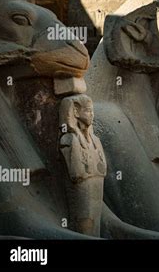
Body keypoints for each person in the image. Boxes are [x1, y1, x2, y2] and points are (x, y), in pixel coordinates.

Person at [59, 94, 107, 236]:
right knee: (85, 228)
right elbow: (77, 173)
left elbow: (103, 169)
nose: (92, 115)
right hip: (82, 195)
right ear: (75, 112)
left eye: (92, 111)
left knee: (96, 228)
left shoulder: (96, 141)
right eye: (88, 111)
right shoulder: (69, 139)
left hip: (97, 191)